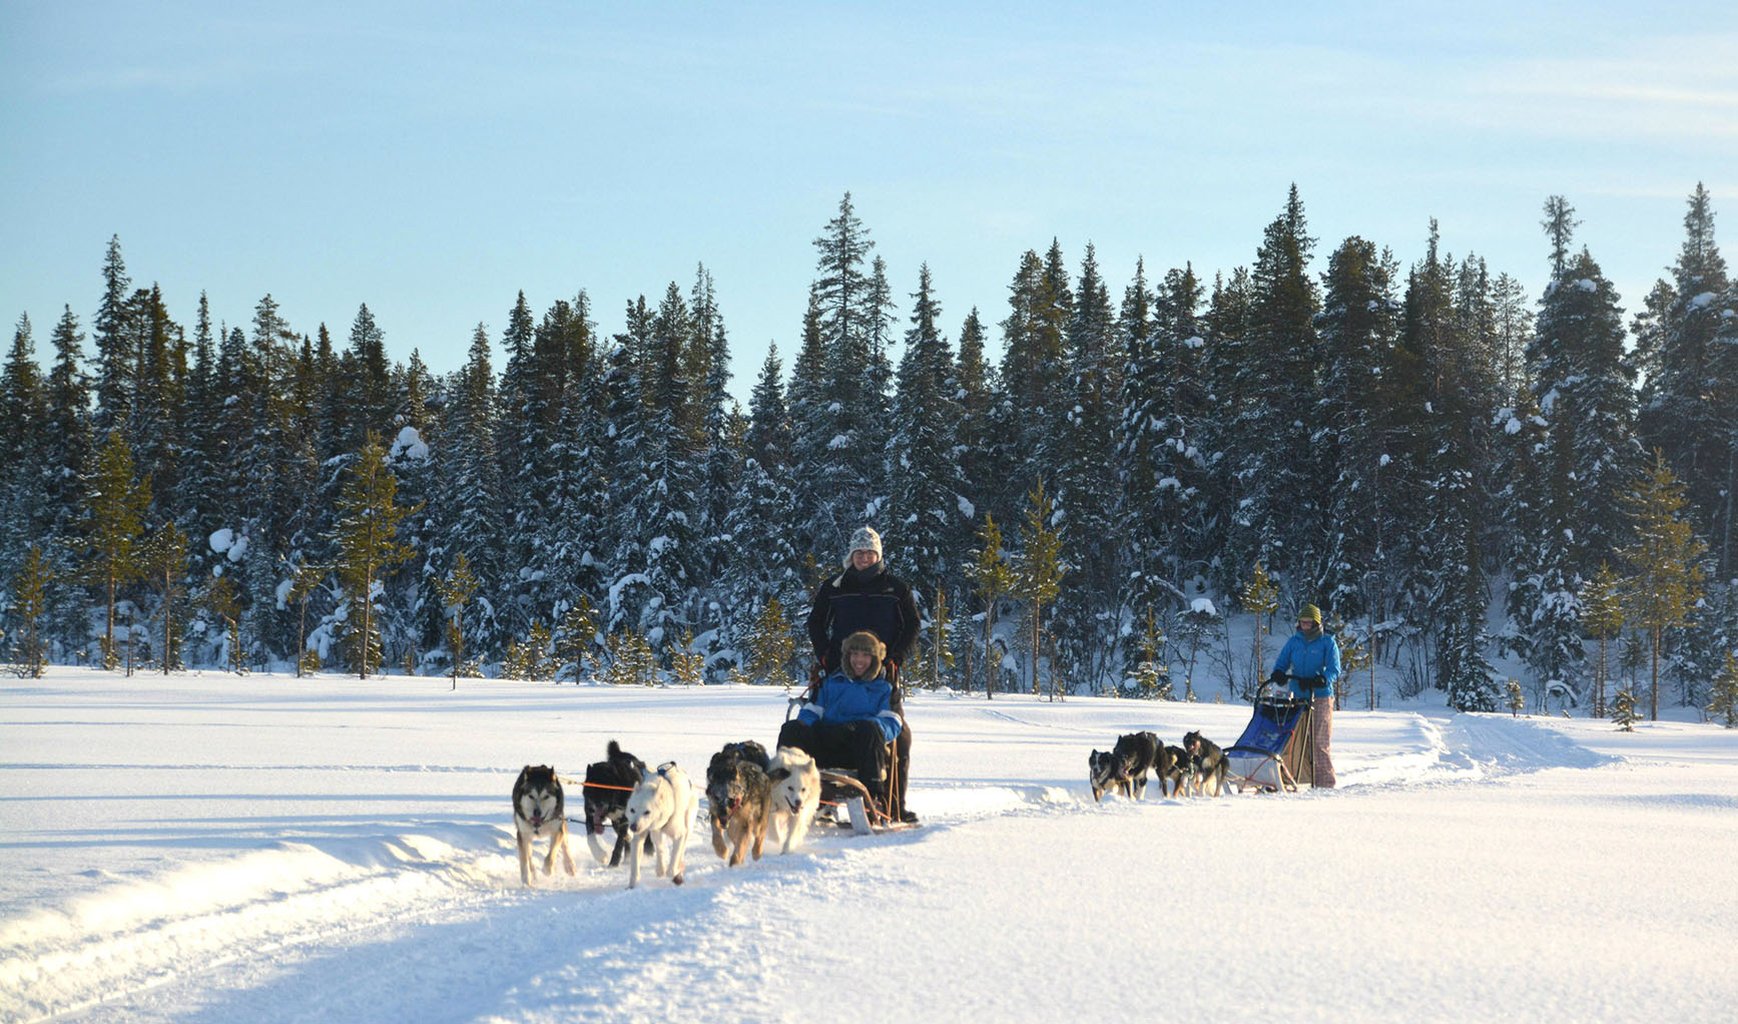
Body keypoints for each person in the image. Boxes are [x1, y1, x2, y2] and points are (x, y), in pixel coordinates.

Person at [803, 526, 920, 820]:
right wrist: (825, 655)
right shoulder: (835, 587)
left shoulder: (895, 588)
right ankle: (818, 796)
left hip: (882, 670)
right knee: (823, 722)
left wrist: (896, 657)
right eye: (859, 553)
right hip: (840, 667)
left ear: (877, 555)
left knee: (899, 737)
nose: (864, 558)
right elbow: (816, 623)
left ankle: (892, 805)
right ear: (851, 556)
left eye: (869, 553)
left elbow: (912, 625)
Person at [777, 630, 905, 811]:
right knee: (791, 729)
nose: (859, 660)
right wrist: (813, 727)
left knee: (869, 729)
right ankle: (781, 788)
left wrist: (862, 726)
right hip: (826, 743)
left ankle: (873, 799)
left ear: (875, 659)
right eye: (854, 654)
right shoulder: (831, 682)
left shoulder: (884, 688)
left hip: (860, 749)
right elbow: (810, 713)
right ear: (847, 656)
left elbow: (893, 723)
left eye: (865, 655)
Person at [1269, 603, 1340, 788]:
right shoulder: (1294, 642)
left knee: (1319, 741)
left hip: (1320, 696)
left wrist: (1322, 679)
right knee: (1292, 740)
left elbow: (1334, 668)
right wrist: (1278, 673)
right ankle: (1290, 779)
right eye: (1303, 622)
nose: (1305, 626)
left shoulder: (1327, 642)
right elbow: (1282, 662)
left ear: (1316, 623)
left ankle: (1325, 784)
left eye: (1309, 623)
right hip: (1297, 696)